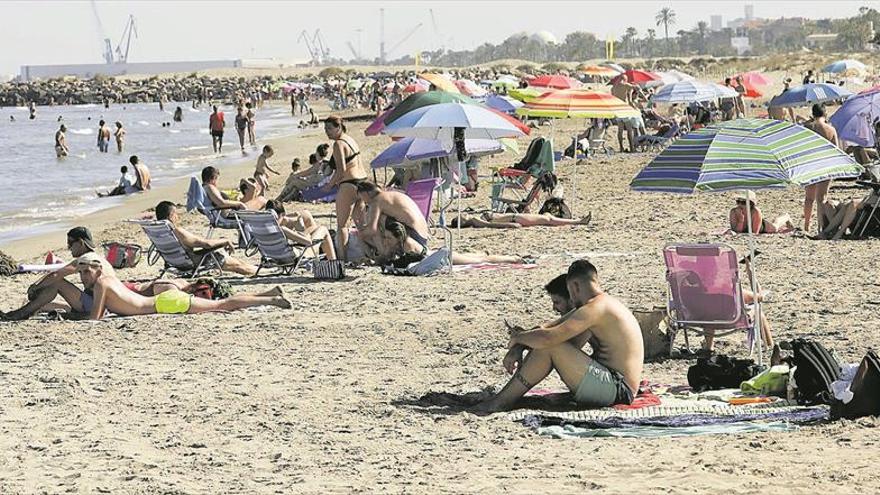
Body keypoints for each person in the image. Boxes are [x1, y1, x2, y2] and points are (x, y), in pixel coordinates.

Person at [472, 260, 644, 413]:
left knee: (551, 345)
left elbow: (549, 338)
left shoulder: (596, 309)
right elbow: (547, 328)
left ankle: (501, 401)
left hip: (618, 390)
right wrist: (520, 345)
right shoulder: (599, 305)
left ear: (575, 286)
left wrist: (517, 338)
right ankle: (503, 398)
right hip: (613, 384)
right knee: (550, 344)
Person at [73, 252, 289, 320]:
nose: (83, 276)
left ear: (97, 270)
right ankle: (268, 292)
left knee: (222, 304)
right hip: (163, 299)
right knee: (221, 303)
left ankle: (271, 300)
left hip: (165, 304)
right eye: (81, 272)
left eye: (86, 272)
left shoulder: (101, 284)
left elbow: (95, 318)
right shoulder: (108, 280)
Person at [0, 227, 114, 321]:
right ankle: (27, 309)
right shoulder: (98, 258)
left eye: (70, 243)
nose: (69, 248)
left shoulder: (85, 259)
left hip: (97, 307)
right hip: (107, 305)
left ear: (80, 243)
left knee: (57, 283)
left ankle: (20, 314)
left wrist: (35, 287)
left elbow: (57, 275)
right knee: (45, 301)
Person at [155, 201, 257, 276]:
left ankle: (257, 269)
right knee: (237, 265)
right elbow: (206, 244)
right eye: (176, 214)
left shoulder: (159, 232)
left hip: (175, 262)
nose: (178, 216)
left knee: (237, 262)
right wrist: (225, 240)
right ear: (171, 216)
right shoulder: (177, 231)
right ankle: (260, 271)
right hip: (196, 261)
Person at [323, 116, 368, 261]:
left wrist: (330, 185)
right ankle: (369, 254)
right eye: (325, 129)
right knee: (360, 224)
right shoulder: (350, 139)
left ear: (339, 127)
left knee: (342, 225)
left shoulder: (338, 144)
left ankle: (342, 259)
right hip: (362, 182)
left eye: (330, 128)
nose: (327, 132)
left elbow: (341, 170)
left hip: (349, 183)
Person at [356, 181, 429, 256]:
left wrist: (360, 234)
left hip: (412, 239)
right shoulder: (392, 194)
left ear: (365, 194)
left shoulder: (376, 201)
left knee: (378, 220)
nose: (364, 202)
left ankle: (383, 254)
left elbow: (372, 229)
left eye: (362, 198)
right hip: (423, 238)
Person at [802, 104, 839, 233]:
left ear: (813, 113)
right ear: (825, 114)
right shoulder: (831, 129)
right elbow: (837, 150)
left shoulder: (807, 127)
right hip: (825, 165)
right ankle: (821, 227)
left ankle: (806, 226)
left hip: (811, 164)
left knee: (809, 198)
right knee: (821, 199)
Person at [265, 201, 337, 260]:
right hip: (299, 256)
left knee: (307, 217)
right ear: (283, 214)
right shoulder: (282, 229)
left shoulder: (262, 229)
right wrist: (300, 229)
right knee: (323, 229)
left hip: (276, 256)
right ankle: (334, 262)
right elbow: (308, 242)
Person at [728, 191, 794, 234]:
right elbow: (736, 230)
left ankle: (786, 217)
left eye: (743, 202)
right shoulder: (733, 212)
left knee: (775, 226)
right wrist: (741, 220)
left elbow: (755, 232)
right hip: (748, 228)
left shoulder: (755, 211)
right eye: (738, 202)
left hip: (763, 227)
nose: (740, 205)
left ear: (751, 204)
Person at [450, 211, 592, 228]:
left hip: (515, 217)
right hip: (515, 218)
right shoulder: (475, 220)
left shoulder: (474, 217)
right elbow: (491, 225)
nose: (462, 214)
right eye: (461, 216)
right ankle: (578, 222)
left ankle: (578, 221)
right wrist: (512, 225)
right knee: (547, 218)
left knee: (547, 216)